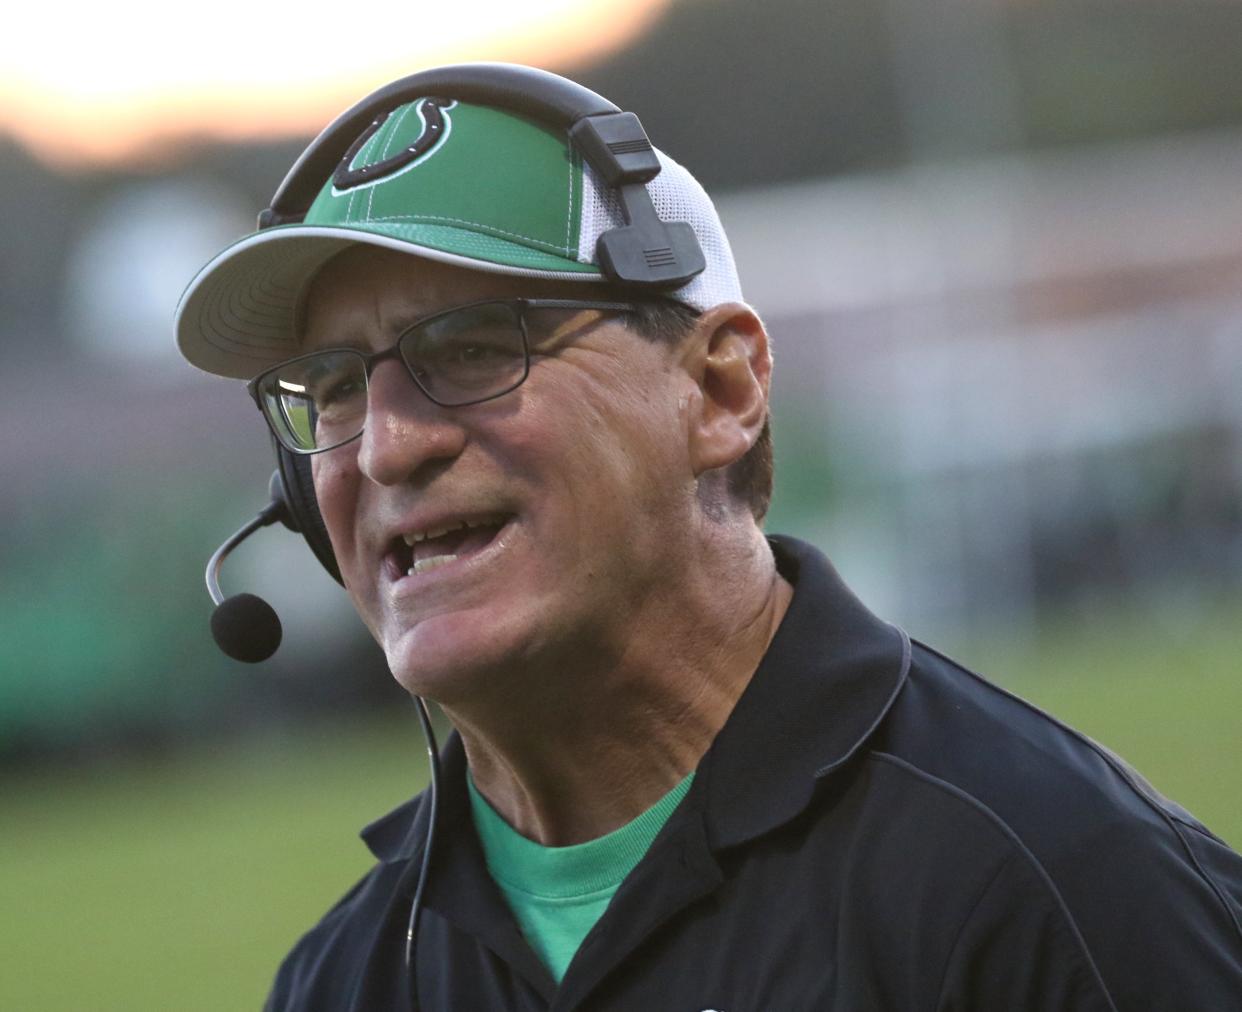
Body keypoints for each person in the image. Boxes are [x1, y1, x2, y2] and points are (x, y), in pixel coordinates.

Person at [175, 65, 1242, 1011]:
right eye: (333, 389)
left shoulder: (1059, 882)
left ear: (720, 389)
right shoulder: (345, 977)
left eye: (471, 346)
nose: (387, 447)